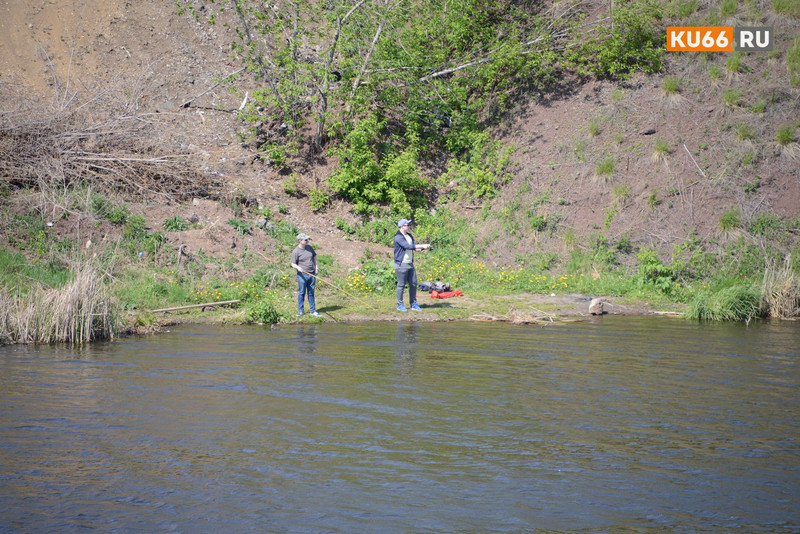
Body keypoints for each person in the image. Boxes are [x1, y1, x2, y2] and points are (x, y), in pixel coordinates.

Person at [393, 218, 431, 312]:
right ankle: (400, 305)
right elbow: (408, 246)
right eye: (407, 225)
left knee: (413, 283)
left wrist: (420, 249)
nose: (409, 226)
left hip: (410, 263)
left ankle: (413, 304)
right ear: (402, 226)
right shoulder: (398, 237)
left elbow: (413, 247)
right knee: (401, 285)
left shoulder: (409, 235)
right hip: (401, 264)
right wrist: (423, 245)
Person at [291, 233, 321, 317]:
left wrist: (316, 268)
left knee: (311, 292)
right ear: (300, 241)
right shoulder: (296, 251)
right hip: (302, 275)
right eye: (305, 240)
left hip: (312, 274)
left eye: (307, 239)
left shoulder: (309, 248)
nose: (307, 241)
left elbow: (314, 257)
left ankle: (313, 311)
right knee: (302, 292)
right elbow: (293, 263)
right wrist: (298, 267)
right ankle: (300, 311)